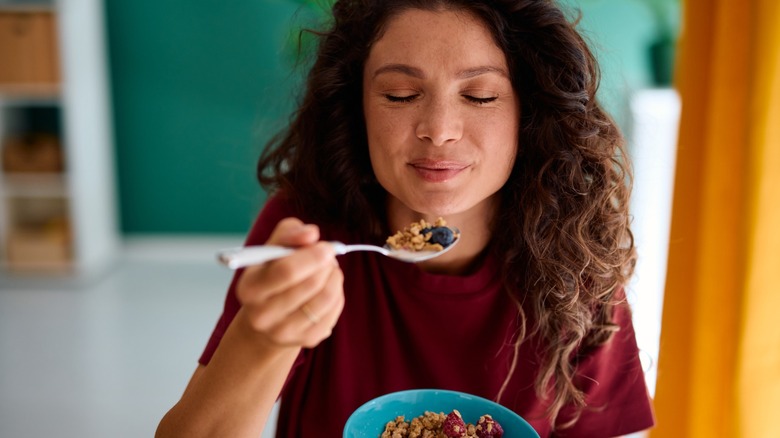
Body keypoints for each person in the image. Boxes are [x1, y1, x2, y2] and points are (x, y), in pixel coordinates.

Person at [156, 0, 655, 436]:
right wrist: (264, 338)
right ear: (358, 109)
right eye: (399, 94)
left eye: (479, 96)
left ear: (530, 112)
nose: (438, 131)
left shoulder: (577, 256)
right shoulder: (307, 233)